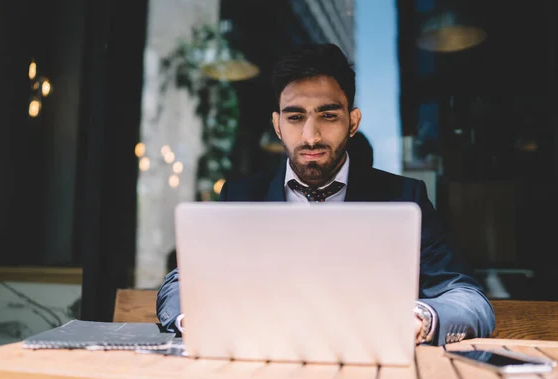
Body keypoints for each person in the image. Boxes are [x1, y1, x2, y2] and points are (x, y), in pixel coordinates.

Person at [157, 43, 495, 346]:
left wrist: (420, 319)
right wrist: (197, 321)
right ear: (277, 125)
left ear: (352, 121)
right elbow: (180, 284)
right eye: (295, 117)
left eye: (328, 115)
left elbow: (469, 299)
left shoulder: (404, 197)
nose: (311, 136)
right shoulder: (241, 196)